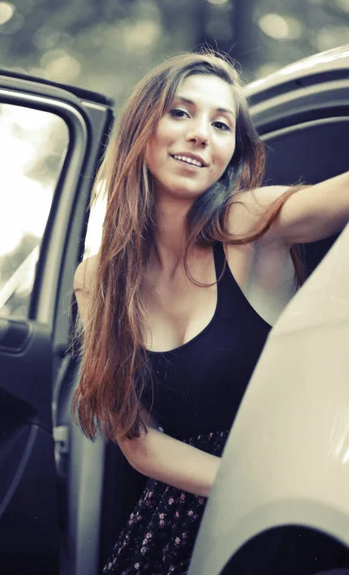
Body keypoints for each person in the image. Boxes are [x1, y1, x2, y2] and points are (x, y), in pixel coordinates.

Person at [72, 52, 349, 575]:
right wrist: (239, 489)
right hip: (179, 513)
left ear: (230, 153)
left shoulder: (247, 224)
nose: (201, 134)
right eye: (181, 113)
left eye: (221, 124)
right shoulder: (95, 280)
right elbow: (140, 442)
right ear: (141, 129)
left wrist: (268, 494)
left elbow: (338, 197)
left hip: (292, 500)